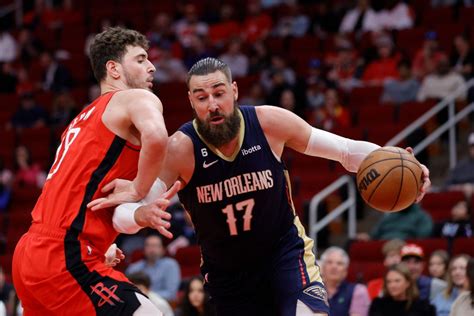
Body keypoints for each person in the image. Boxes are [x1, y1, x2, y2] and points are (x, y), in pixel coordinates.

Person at [105, 57, 431, 315]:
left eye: (219, 93)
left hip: (284, 253)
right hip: (228, 274)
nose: (213, 104)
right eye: (202, 97)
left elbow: (345, 151)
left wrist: (404, 165)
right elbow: (129, 206)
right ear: (191, 101)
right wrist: (139, 215)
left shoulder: (268, 122)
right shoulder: (179, 148)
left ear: (234, 90)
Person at [12, 27, 174, 315]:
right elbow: (157, 136)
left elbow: (79, 194)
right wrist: (138, 187)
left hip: (31, 253)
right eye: (140, 59)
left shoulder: (77, 122)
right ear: (113, 68)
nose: (151, 67)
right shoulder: (135, 98)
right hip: (64, 256)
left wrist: (99, 247)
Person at [125, 234, 181, 301]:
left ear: (163, 249)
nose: (151, 249)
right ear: (144, 249)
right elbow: (127, 292)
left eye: (155, 246)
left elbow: (171, 294)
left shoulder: (171, 265)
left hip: (162, 304)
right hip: (138, 304)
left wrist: (147, 294)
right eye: (148, 245)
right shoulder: (133, 268)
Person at [320, 247, 371, 316]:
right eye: (329, 262)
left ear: (345, 271)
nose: (334, 266)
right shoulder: (311, 290)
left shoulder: (358, 290)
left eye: (339, 263)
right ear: (322, 268)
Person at [368, 263, 436, 316]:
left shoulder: (423, 307)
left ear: (408, 283)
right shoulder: (378, 305)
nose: (392, 285)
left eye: (397, 281)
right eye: (389, 282)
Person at [356, 204, 433, 241]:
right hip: (383, 243)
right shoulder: (389, 215)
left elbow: (422, 237)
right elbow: (375, 234)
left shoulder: (422, 216)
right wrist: (367, 237)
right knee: (352, 242)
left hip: (404, 244)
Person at [444, 132, 474, 198]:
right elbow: (447, 186)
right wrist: (462, 188)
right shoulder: (461, 166)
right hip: (459, 202)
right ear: (469, 148)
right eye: (473, 146)